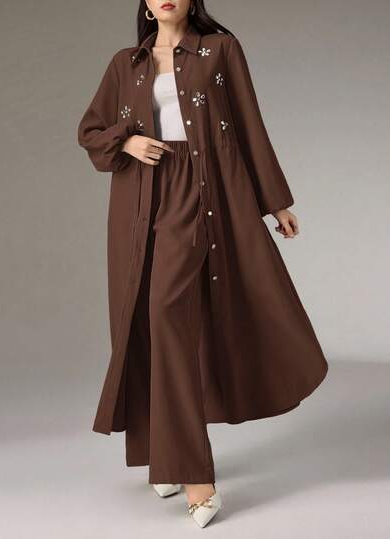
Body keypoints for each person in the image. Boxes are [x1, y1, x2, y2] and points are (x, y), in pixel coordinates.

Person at [77, 0, 328, 528]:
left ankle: (193, 473)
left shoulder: (221, 50)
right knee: (145, 321)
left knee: (167, 314)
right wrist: (128, 140)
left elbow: (249, 124)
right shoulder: (126, 63)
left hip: (201, 190)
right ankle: (163, 456)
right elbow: (91, 130)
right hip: (139, 200)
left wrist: (275, 202)